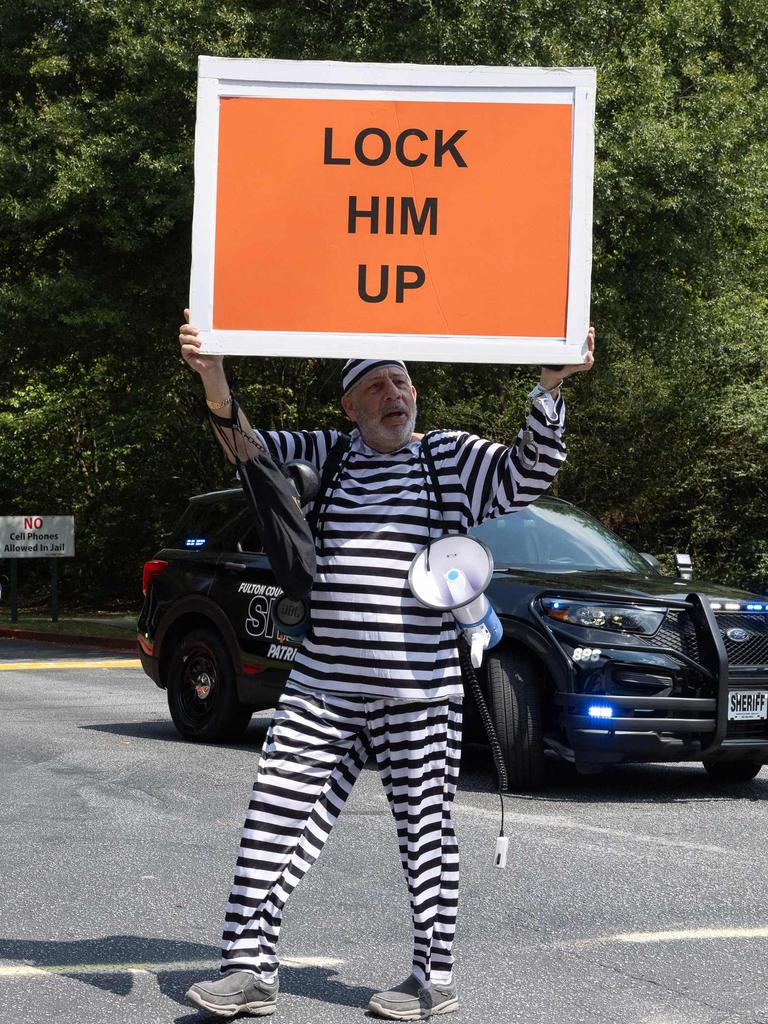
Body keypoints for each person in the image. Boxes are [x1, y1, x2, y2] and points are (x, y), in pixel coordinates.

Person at [178, 312, 595, 1019]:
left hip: (420, 693)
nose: (394, 394)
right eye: (375, 385)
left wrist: (550, 383)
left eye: (401, 380)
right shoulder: (327, 454)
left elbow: (531, 471)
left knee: (426, 835)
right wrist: (214, 375)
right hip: (323, 687)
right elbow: (244, 449)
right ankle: (248, 969)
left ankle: (432, 980)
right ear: (350, 406)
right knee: (272, 820)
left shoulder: (450, 459)